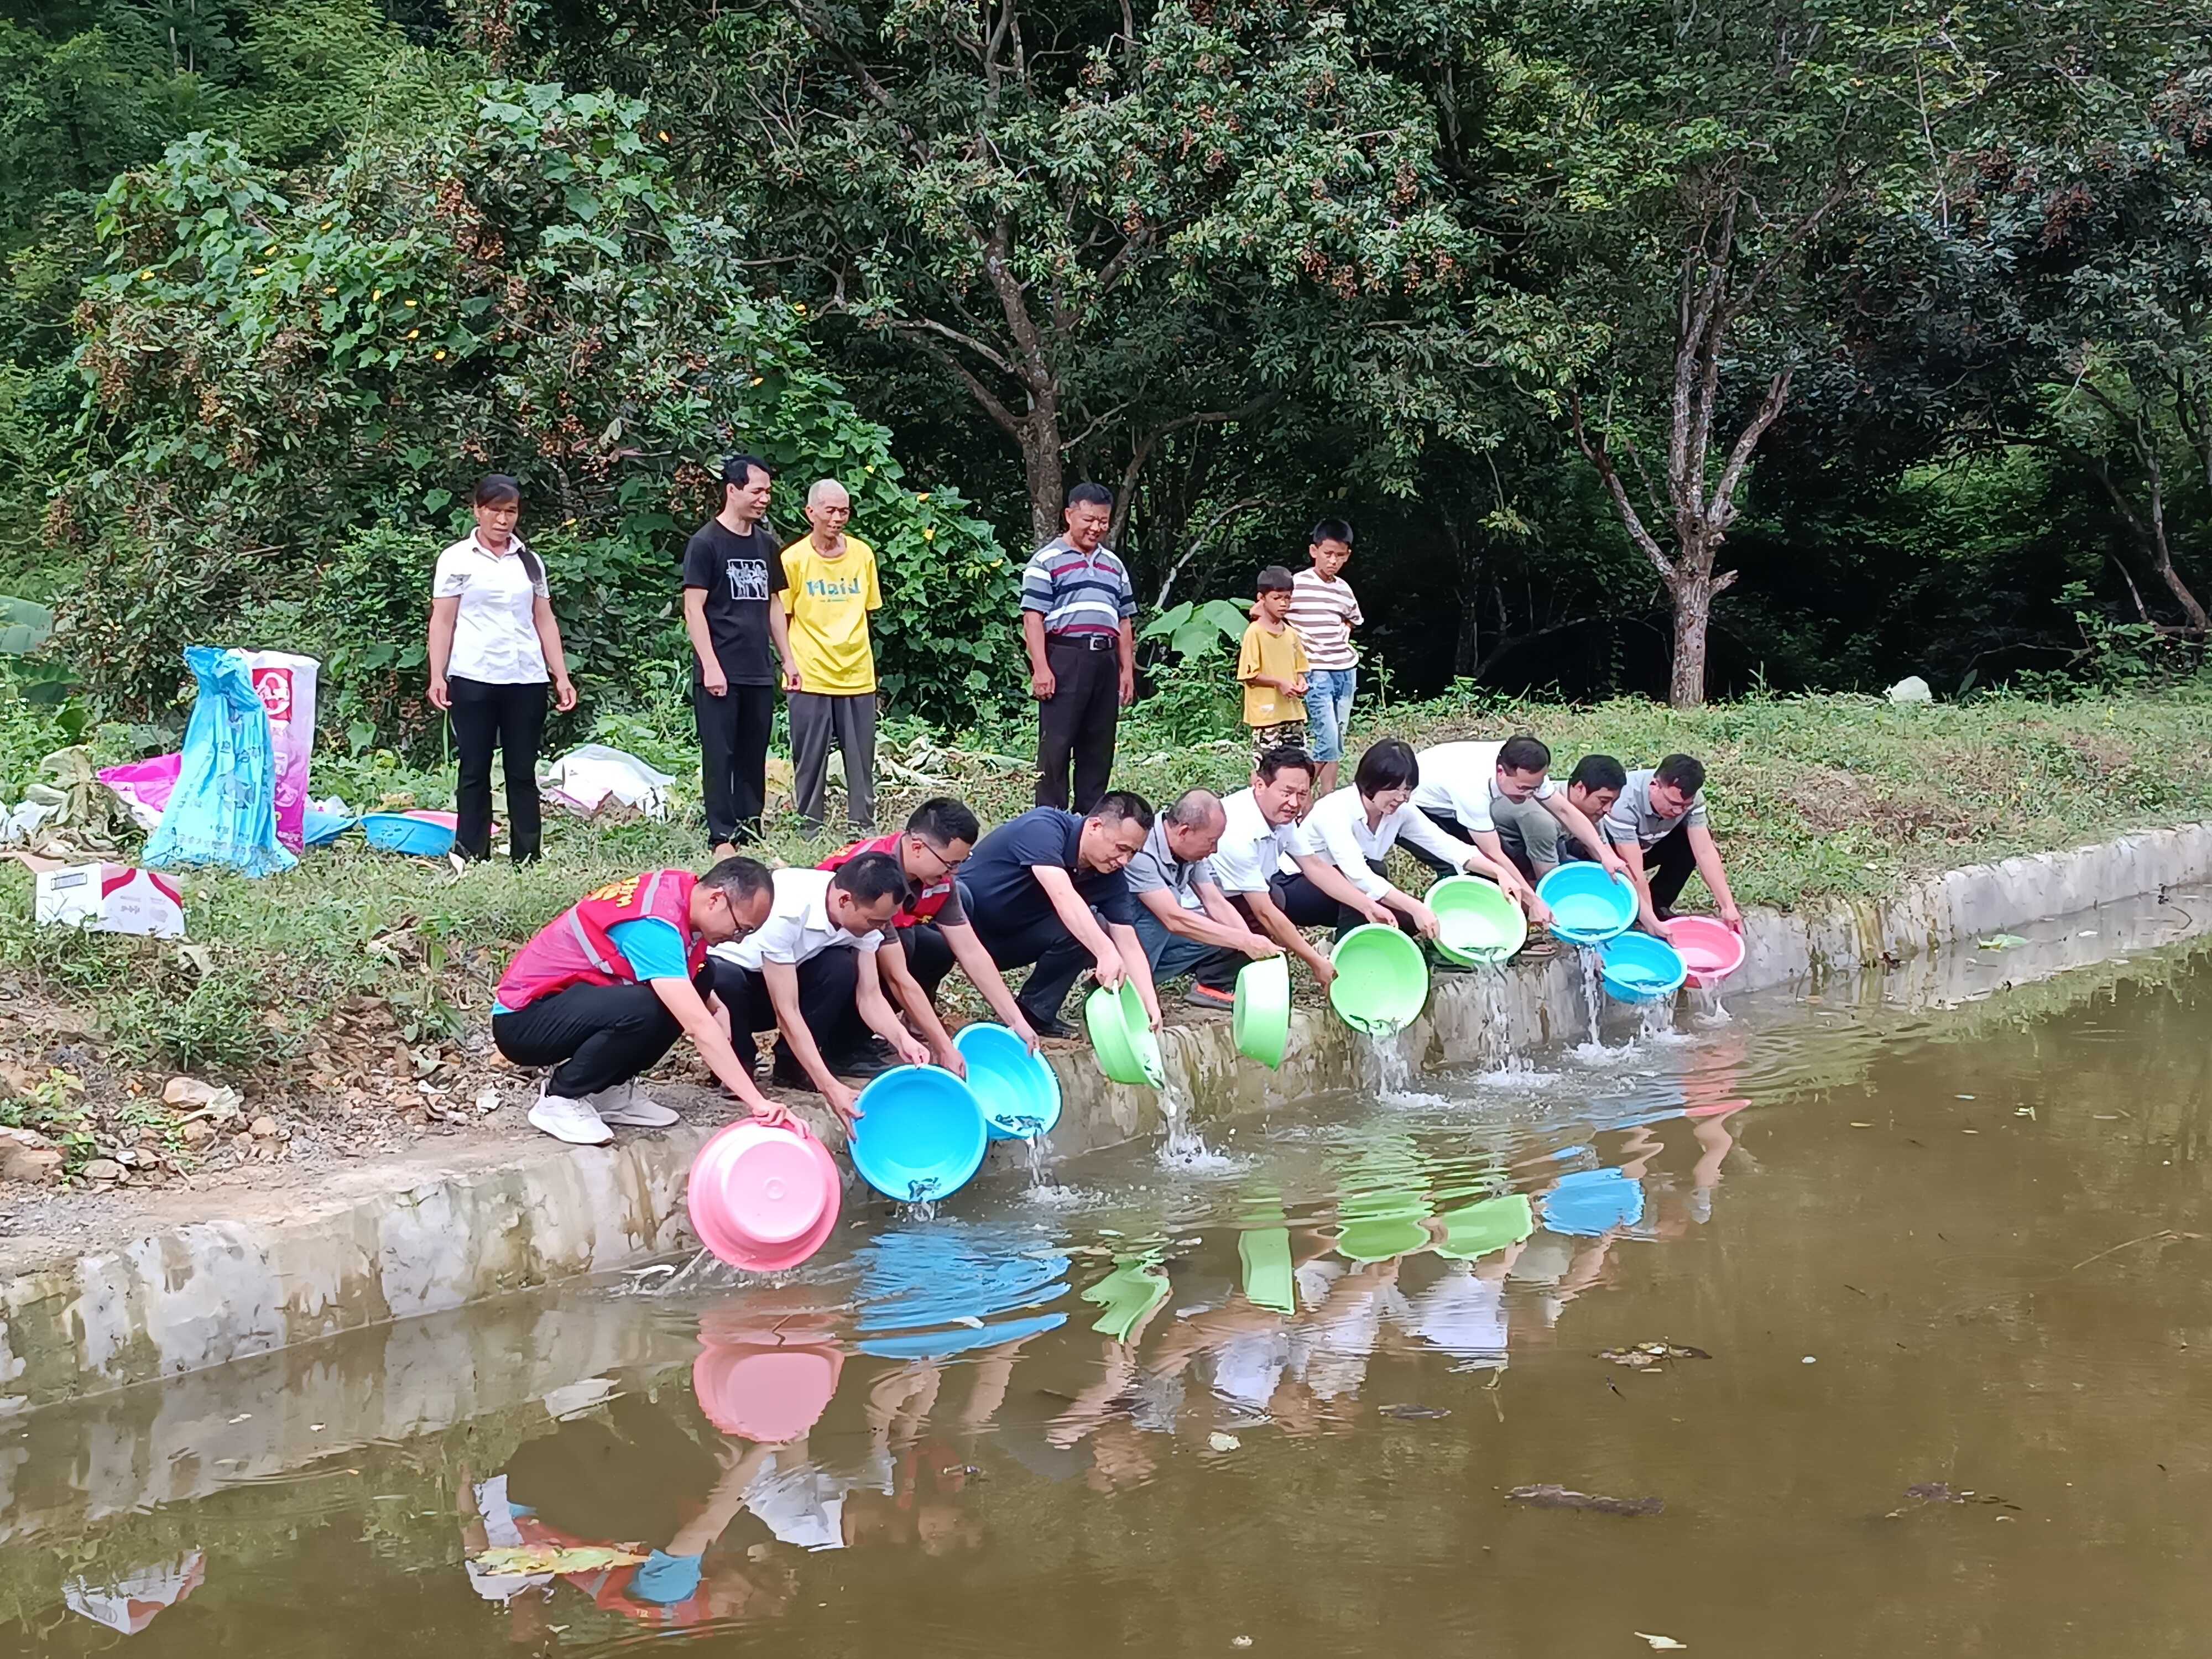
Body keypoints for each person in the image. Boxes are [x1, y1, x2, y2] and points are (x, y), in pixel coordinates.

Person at [492, 858, 782, 1147]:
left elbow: (693, 974)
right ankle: (560, 1099)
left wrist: (717, 1006)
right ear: (716, 899)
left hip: (573, 1002)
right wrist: (757, 1102)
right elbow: (697, 1026)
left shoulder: (684, 891)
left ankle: (609, 1090)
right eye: (740, 929)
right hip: (524, 1019)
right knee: (648, 1007)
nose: (739, 940)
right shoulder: (654, 924)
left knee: (704, 980)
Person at [707, 855, 932, 1129]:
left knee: (839, 966)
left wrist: (902, 1039)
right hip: (737, 989)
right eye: (875, 921)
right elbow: (786, 1013)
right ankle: (738, 1062)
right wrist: (830, 1087)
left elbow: (870, 996)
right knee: (724, 977)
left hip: (786, 976)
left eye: (885, 921)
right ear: (844, 901)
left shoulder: (866, 921)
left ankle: (791, 1066)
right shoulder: (788, 908)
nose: (881, 929)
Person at [818, 797, 1042, 1062]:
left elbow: (971, 951)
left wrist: (1016, 1020)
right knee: (904, 944)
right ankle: (841, 1045)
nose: (955, 872)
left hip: (876, 945)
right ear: (917, 848)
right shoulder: (877, 877)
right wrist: (944, 1046)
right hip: (824, 956)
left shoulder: (941, 882)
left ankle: (866, 1037)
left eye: (961, 862)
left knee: (936, 948)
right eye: (950, 864)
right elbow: (897, 976)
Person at [426, 474, 576, 864]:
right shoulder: (457, 558)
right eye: (494, 510)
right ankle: (471, 851)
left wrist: (560, 675)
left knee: (522, 770)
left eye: (510, 511)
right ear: (477, 510)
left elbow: (544, 619)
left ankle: (528, 854)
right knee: (474, 768)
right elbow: (443, 620)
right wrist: (437, 674)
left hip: (525, 678)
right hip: (474, 675)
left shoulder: (529, 560)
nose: (502, 520)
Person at [959, 792, 1160, 1038]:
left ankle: (1034, 1014)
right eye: (1122, 849)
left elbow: (1128, 941)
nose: (1125, 861)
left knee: (1091, 929)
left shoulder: (1110, 877)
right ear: (1095, 826)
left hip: (1010, 941)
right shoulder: (1044, 828)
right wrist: (1105, 952)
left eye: (1133, 853)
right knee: (1090, 930)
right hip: (962, 926)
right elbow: (1062, 894)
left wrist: (1148, 1003)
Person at [1272, 739, 1509, 940]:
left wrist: (1500, 873)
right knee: (1374, 877)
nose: (1401, 798)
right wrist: (1416, 906)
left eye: (1407, 790)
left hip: (1348, 886)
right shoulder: (1335, 811)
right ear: (1371, 783)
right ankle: (1349, 955)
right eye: (1394, 789)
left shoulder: (1402, 812)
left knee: (1405, 922)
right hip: (1293, 886)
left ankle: (1341, 942)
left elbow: (1447, 846)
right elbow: (1359, 875)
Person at [684, 455, 800, 855]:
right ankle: (721, 835)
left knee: (754, 752)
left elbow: (773, 605)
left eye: (768, 491)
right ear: (732, 490)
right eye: (757, 491)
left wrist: (788, 658)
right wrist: (711, 665)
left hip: (757, 669)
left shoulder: (766, 544)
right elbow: (693, 608)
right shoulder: (706, 543)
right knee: (720, 754)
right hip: (720, 669)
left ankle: (751, 827)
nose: (765, 498)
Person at [1407, 735, 1625, 919]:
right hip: (1415, 804)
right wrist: (1534, 901)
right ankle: (1440, 923)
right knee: (1460, 868)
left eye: (1535, 788)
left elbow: (1565, 811)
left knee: (1496, 872)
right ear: (1501, 772)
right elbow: (1493, 854)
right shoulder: (1472, 790)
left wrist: (1604, 854)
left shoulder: (1526, 768)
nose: (1530, 795)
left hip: (1449, 801)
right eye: (1523, 789)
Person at [1207, 745, 1364, 987]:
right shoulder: (1237, 830)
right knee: (1270, 908)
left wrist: (1368, 905)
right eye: (1287, 792)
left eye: (1302, 794)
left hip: (1238, 895)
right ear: (1260, 785)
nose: (1294, 803)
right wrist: (1315, 961)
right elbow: (1265, 912)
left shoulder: (1281, 818)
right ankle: (1215, 981)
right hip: (1201, 906)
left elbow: (1314, 866)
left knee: (1275, 897)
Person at [1021, 482, 1136, 811]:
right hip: (1065, 657)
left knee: (1098, 747)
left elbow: (1124, 620)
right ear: (1069, 515)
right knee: (1056, 748)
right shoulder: (1046, 561)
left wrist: (1126, 671)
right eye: (1089, 520)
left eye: (1103, 521)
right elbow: (1033, 618)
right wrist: (1041, 669)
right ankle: (1049, 820)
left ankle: (1090, 821)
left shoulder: (1114, 565)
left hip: (1105, 660)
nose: (1096, 528)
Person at [781, 478, 882, 833]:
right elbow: (783, 618)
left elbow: (868, 611)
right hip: (809, 671)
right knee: (809, 759)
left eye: (844, 511)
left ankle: (862, 827)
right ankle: (809, 827)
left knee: (861, 761)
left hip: (857, 671)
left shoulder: (862, 554)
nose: (838, 518)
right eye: (831, 510)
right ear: (811, 513)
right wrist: (789, 664)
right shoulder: (792, 559)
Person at [1126, 788, 1282, 1010]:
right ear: (1184, 831)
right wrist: (1243, 941)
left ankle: (1141, 982)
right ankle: (1129, 991)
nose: (1215, 850)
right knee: (1159, 920)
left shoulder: (1189, 853)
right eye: (1211, 842)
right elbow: (1173, 919)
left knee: (1216, 934)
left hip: (1155, 935)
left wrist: (1251, 944)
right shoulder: (1142, 850)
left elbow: (1215, 901)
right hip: (1118, 932)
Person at [1600, 753, 1743, 935]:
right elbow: (1635, 872)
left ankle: (1659, 907)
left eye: (1685, 806)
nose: (1678, 811)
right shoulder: (1624, 802)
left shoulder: (1692, 800)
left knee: (1688, 844)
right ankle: (1634, 914)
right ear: (1655, 786)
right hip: (1614, 853)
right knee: (1622, 877)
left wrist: (1728, 906)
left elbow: (1705, 851)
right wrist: (1650, 923)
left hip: (1649, 845)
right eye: (1673, 803)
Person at [1287, 520, 1363, 796]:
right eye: (1328, 554)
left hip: (1345, 669)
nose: (1333, 561)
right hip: (1315, 669)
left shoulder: (1343, 589)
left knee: (1338, 736)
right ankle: (1301, 794)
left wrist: (1344, 633)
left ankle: (1328, 795)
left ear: (1348, 555)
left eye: (1340, 556)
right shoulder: (1296, 585)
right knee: (1328, 737)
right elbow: (1264, 611)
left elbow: (1354, 619)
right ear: (1314, 550)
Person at [1497, 753, 1627, 879]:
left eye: (1613, 802)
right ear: (1580, 788)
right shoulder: (1543, 819)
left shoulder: (1591, 808)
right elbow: (1549, 879)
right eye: (1604, 801)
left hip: (1549, 839)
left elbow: (1605, 852)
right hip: (1507, 845)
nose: (1608, 810)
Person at [1238, 566, 1308, 762]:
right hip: (1266, 716)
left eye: (1287, 598)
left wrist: (1301, 683)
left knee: (1297, 763)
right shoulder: (1255, 633)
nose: (1283, 603)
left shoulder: (1291, 633)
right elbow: (1250, 676)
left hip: (1293, 712)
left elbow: (1301, 669)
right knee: (1266, 766)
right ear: (1262, 598)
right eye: (1277, 598)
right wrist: (1280, 683)